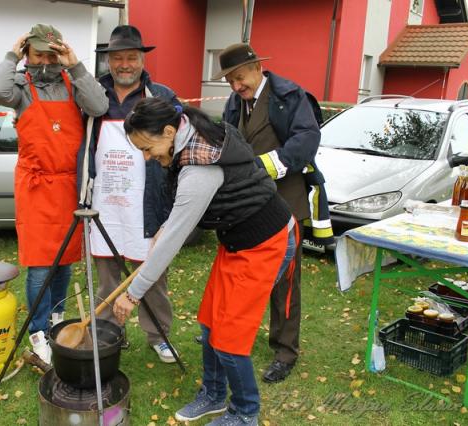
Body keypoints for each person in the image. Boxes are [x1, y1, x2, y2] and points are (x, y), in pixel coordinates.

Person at [112, 97, 297, 425]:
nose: (146, 157)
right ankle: (213, 394)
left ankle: (244, 412)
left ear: (169, 131)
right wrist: (166, 229)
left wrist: (132, 295)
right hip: (238, 240)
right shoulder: (189, 134)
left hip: (267, 242)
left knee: (230, 338)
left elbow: (174, 241)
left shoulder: (201, 167)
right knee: (211, 323)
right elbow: (179, 219)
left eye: (146, 147)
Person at [0, 24, 108, 364]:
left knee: (66, 258)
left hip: (69, 185)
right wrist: (11, 55)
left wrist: (76, 65)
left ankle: (58, 318)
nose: (46, 61)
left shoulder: (72, 83)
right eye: (39, 53)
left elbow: (99, 105)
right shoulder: (20, 88)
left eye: (51, 54)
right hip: (37, 186)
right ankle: (38, 331)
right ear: (27, 54)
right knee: (41, 264)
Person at [215, 42, 327, 383]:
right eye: (230, 81)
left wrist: (268, 165)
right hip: (248, 205)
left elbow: (308, 138)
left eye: (239, 77)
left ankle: (285, 350)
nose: (236, 86)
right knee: (243, 274)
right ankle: (235, 335)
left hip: (285, 201)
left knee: (285, 282)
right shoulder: (235, 103)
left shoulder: (292, 96)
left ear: (256, 68)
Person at [78, 25, 178, 363]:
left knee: (152, 275)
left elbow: (176, 144)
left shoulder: (161, 95)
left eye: (131, 57)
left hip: (147, 200)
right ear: (108, 60)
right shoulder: (93, 96)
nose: (124, 64)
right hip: (105, 202)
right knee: (107, 277)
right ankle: (109, 333)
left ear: (141, 59)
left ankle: (158, 334)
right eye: (117, 58)